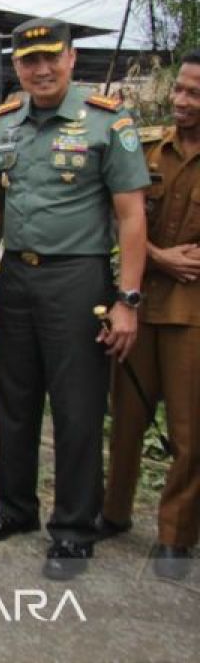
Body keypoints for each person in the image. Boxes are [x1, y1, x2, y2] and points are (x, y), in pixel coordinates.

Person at [0, 18, 149, 582]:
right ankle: (16, 509)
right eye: (29, 61)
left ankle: (73, 528)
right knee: (13, 402)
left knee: (75, 408)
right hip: (18, 277)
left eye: (51, 58)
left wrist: (128, 299)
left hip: (79, 281)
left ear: (71, 59)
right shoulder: (5, 125)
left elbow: (132, 216)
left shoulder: (105, 123)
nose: (40, 70)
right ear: (18, 66)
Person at [98, 50, 200, 581]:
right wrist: (159, 256)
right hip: (139, 300)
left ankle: (175, 534)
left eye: (194, 95)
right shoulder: (148, 146)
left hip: (192, 315)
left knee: (189, 431)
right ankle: (113, 512)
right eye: (180, 90)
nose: (182, 101)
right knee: (127, 417)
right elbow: (120, 214)